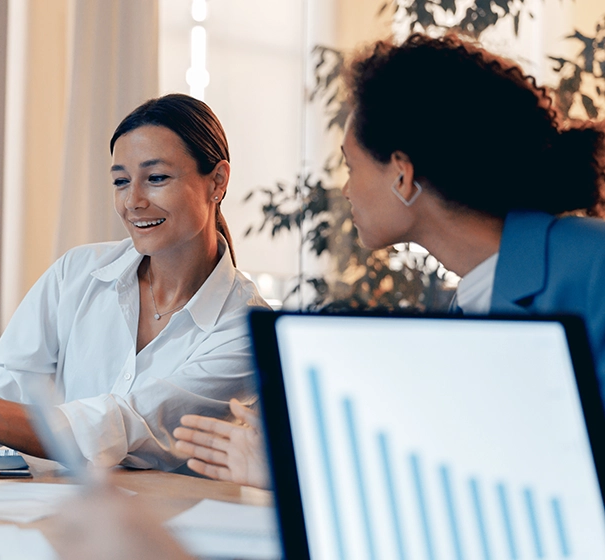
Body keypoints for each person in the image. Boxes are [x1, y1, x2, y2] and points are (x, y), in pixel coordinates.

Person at [174, 32, 605, 489]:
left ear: (402, 174)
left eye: (351, 166)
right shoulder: (472, 299)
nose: (345, 190)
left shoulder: (591, 268)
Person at [0, 93, 266, 470]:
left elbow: (125, 427)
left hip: (172, 529)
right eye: (120, 181)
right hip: (64, 517)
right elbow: (0, 399)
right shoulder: (76, 273)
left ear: (217, 182)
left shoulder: (248, 331)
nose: (133, 201)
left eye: (157, 177)